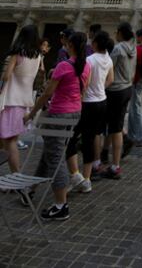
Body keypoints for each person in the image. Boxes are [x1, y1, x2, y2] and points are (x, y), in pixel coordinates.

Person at [23, 32, 91, 221]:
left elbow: (46, 94)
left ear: (69, 45)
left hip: (58, 114)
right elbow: (83, 90)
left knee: (55, 157)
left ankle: (61, 204)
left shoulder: (64, 65)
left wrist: (31, 114)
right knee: (51, 151)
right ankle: (31, 188)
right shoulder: (86, 66)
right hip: (74, 113)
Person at [66, 31, 114, 193]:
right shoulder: (108, 59)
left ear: (95, 44)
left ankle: (76, 175)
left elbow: (83, 83)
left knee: (70, 139)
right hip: (102, 101)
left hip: (87, 103)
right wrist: (100, 89)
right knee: (89, 139)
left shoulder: (89, 60)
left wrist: (82, 95)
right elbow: (111, 80)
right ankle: (86, 179)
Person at [0, 25, 41, 172]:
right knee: (12, 140)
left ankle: (15, 175)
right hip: (24, 101)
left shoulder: (17, 54)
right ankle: (14, 174)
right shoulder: (38, 56)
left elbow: (6, 76)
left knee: (9, 141)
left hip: (10, 100)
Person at [101, 22, 136, 180]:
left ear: (121, 33)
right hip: (127, 88)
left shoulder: (118, 48)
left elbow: (108, 68)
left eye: (117, 31)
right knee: (114, 123)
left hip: (115, 90)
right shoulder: (133, 48)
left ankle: (115, 166)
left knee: (115, 128)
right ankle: (105, 152)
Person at [123, 28, 142, 155]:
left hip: (138, 81)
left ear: (140, 37)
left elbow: (135, 67)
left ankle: (140, 137)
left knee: (136, 107)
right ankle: (131, 134)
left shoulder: (139, 49)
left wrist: (132, 81)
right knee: (134, 108)